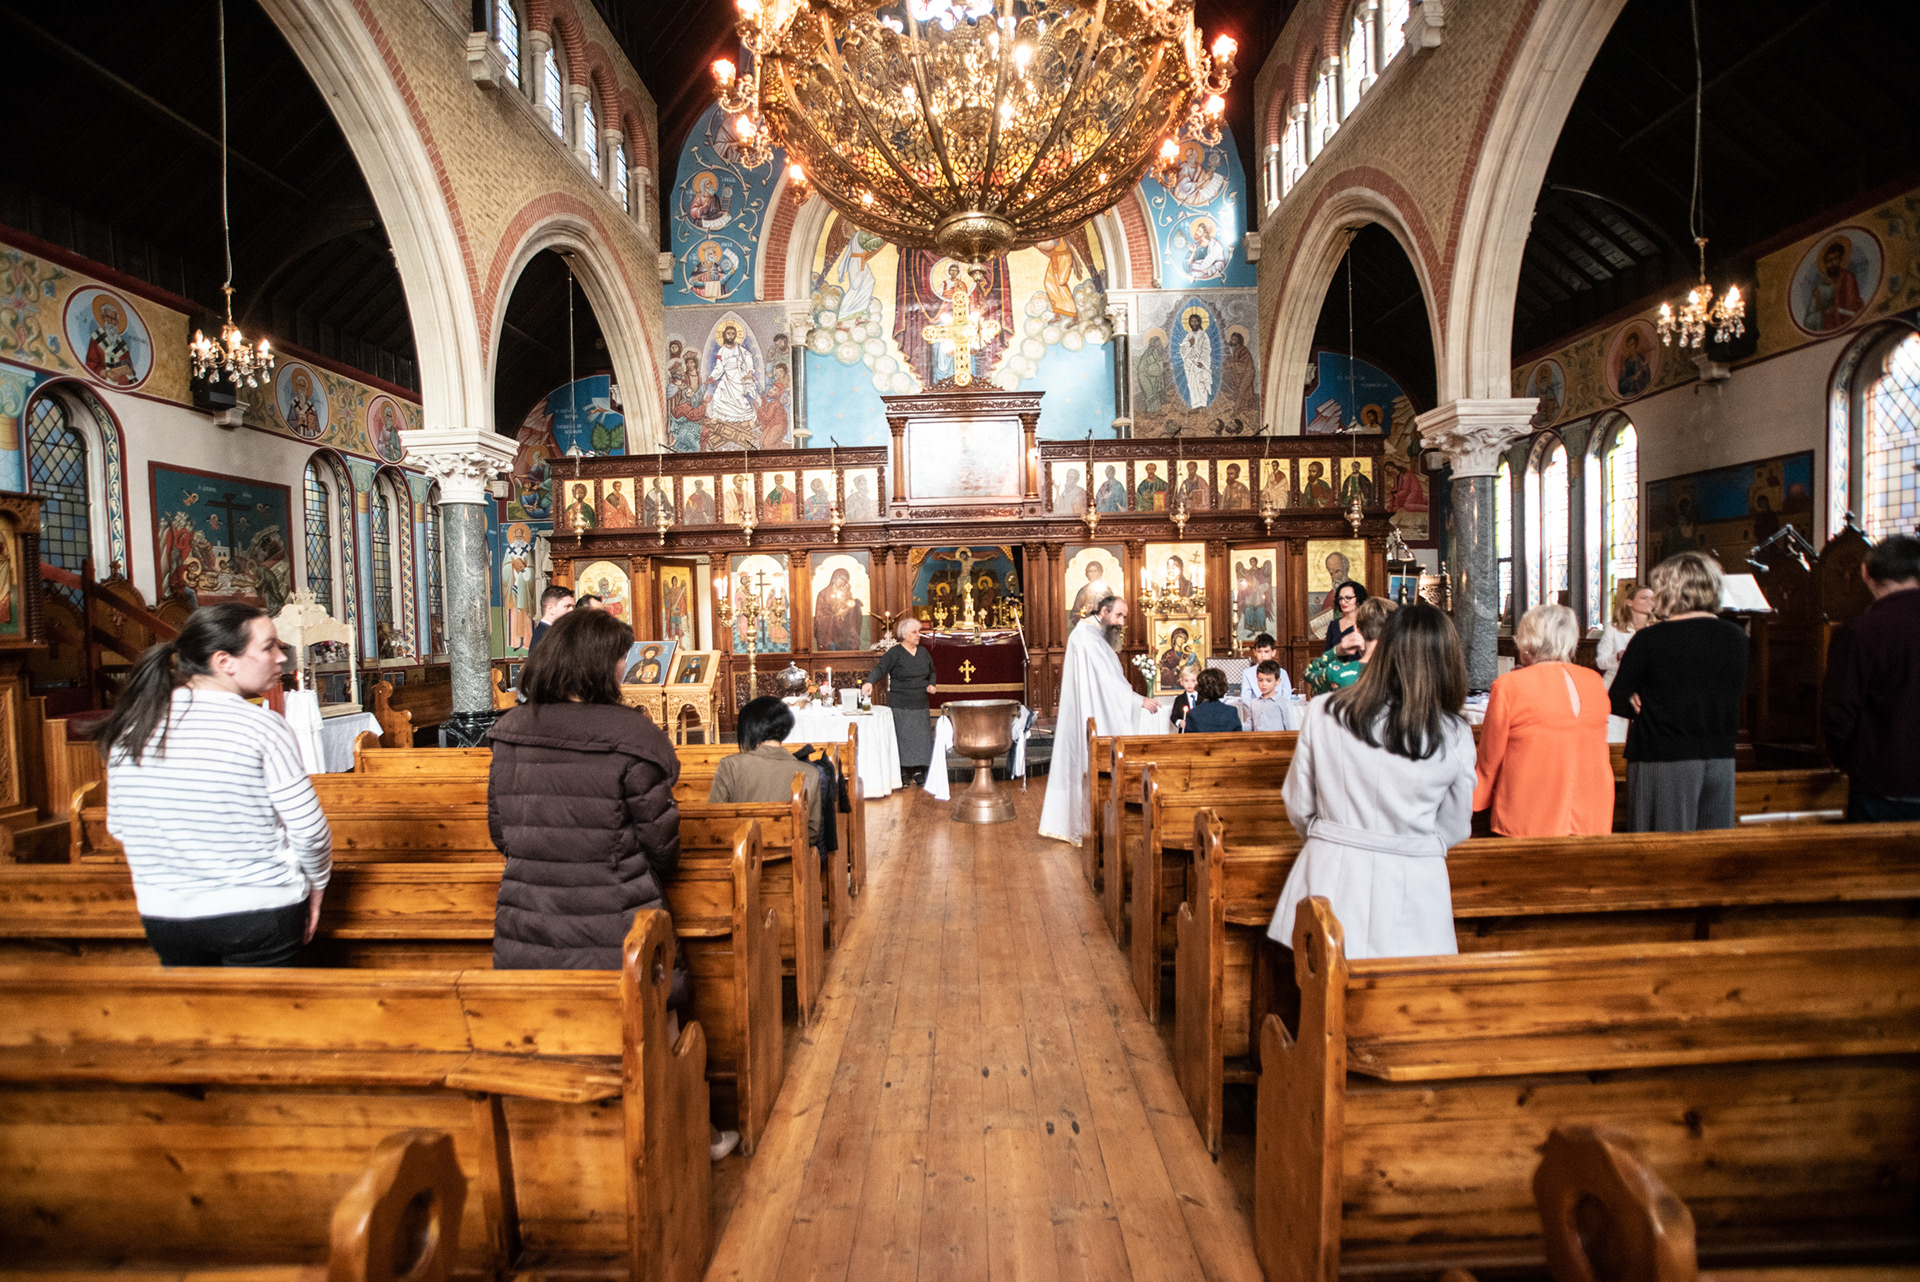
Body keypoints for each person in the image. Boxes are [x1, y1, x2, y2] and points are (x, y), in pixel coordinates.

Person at [100, 604, 331, 967]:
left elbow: (120, 826)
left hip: (166, 915)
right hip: (259, 909)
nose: (281, 656)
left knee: (195, 1007)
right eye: (269, 646)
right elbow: (309, 831)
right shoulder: (261, 727)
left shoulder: (132, 728)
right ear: (225, 661)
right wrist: (317, 883)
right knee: (265, 1006)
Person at [1267, 603, 1476, 960]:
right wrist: (1410, 843)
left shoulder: (1324, 711)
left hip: (1330, 873)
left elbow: (1299, 804)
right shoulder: (1453, 733)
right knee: (1408, 989)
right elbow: (1455, 825)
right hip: (1415, 883)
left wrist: (1333, 838)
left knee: (1322, 984)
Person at [1609, 552, 1748, 832]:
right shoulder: (1736, 637)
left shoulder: (1650, 639)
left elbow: (1617, 699)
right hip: (1719, 754)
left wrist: (1634, 698)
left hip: (1663, 755)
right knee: (1712, 846)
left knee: (1661, 848)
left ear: (1670, 590)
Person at [1473, 604, 1614, 837]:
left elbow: (1490, 756)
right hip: (1591, 808)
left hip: (1531, 809)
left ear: (1528, 641)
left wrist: (1474, 800)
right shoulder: (1594, 681)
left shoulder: (1510, 685)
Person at [1038, 595, 1160, 843]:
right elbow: (1108, 681)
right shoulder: (1087, 637)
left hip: (1093, 706)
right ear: (1103, 611)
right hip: (1091, 709)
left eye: (1124, 617)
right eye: (1118, 615)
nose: (1122, 622)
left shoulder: (1091, 633)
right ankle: (1089, 826)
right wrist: (1137, 700)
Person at [1819, 533, 1920, 821]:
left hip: (1883, 782)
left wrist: (1851, 761)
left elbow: (1838, 711)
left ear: (1865, 573)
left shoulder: (1859, 633)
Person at [710, 696, 820, 851]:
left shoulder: (730, 766)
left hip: (739, 859)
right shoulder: (810, 773)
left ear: (749, 729)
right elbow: (812, 833)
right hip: (790, 862)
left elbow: (715, 821)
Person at [862, 617, 937, 786]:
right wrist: (869, 682)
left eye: (919, 632)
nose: (918, 635)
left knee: (920, 738)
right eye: (914, 632)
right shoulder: (894, 653)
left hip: (920, 703)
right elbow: (880, 669)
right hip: (901, 703)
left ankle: (918, 770)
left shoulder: (923, 653)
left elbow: (932, 672)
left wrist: (932, 684)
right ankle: (901, 771)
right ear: (904, 635)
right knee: (901, 738)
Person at [1595, 581, 1654, 741]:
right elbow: (1601, 661)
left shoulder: (1658, 628)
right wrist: (1617, 657)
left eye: (1652, 598)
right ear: (1629, 602)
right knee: (1616, 736)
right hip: (1616, 683)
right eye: (1644, 598)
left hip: (1647, 687)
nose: (1650, 602)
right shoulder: (1615, 628)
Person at [1304, 597, 1393, 695]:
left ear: (1356, 629)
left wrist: (1337, 651)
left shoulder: (1338, 673)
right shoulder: (1401, 673)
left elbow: (1309, 672)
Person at [1241, 659, 1296, 731]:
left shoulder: (1285, 703)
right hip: (1257, 738)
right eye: (1260, 680)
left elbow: (1291, 728)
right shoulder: (1254, 703)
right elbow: (1249, 726)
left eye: (1269, 681)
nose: (1264, 684)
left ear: (1277, 681)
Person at [1183, 668, 1240, 734]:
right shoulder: (1231, 711)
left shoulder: (1193, 713)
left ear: (1200, 688)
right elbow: (1239, 737)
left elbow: (1188, 738)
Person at [1323, 579, 1369, 653]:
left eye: (1348, 598)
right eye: (1340, 598)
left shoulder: (1367, 624)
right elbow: (1327, 654)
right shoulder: (1333, 625)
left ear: (1359, 598)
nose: (1343, 602)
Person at [527, 585, 574, 654]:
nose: (572, 610)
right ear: (550, 608)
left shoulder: (549, 633)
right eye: (567, 606)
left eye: (573, 606)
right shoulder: (545, 637)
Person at [1169, 664, 1200, 731]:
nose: (1189, 684)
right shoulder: (1179, 699)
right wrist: (1179, 722)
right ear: (1182, 682)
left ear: (1198, 681)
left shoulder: (1204, 698)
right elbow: (1174, 716)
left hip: (1201, 732)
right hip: (1185, 732)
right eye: (1186, 681)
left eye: (1193, 681)